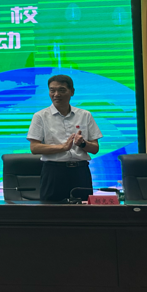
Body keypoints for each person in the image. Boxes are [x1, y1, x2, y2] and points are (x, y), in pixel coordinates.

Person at [27, 74, 102, 203]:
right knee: (51, 211)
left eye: (61, 90)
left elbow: (95, 149)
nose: (56, 94)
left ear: (72, 92)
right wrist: (63, 147)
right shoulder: (40, 116)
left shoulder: (85, 115)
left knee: (84, 212)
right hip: (53, 172)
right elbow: (34, 148)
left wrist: (83, 144)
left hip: (80, 171)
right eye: (52, 90)